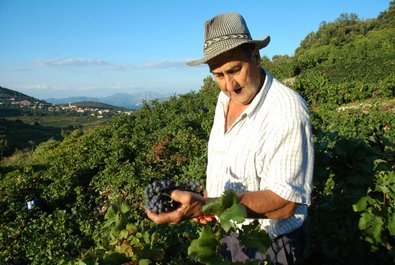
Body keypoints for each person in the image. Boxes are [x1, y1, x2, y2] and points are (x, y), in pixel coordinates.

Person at [146, 12, 314, 264]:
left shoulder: (286, 110)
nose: (229, 84)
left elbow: (285, 203)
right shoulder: (224, 100)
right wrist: (207, 198)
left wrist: (207, 205)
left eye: (235, 70)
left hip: (268, 243)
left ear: (255, 57)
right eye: (218, 75)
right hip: (229, 231)